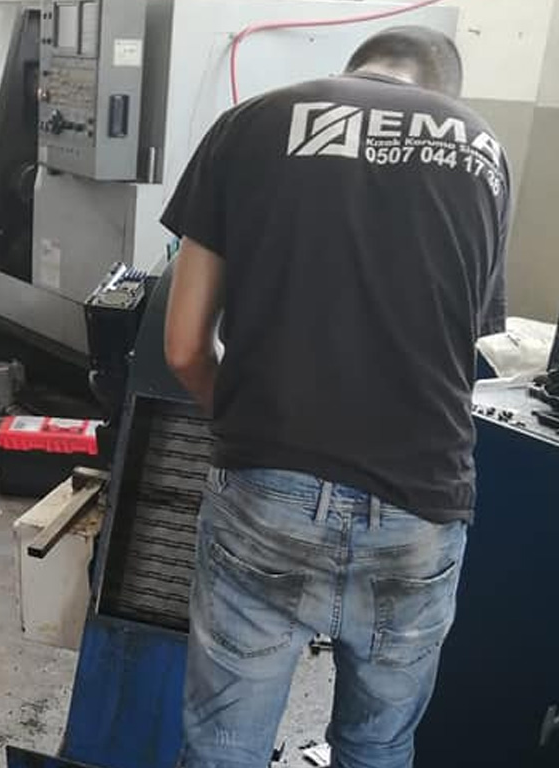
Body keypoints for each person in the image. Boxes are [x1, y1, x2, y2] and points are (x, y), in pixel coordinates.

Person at [161, 26, 508, 768]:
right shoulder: (483, 152)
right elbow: (458, 344)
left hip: (268, 487)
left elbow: (184, 346)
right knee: (378, 746)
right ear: (442, 90)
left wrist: (252, 429)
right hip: (421, 501)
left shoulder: (252, 123)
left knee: (223, 750)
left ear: (354, 68)